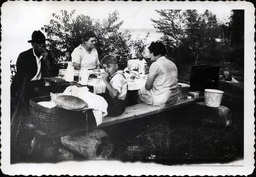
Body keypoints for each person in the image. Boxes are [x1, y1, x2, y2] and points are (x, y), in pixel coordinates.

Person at [11, 30, 59, 114]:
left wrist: (47, 60)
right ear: (32, 44)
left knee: (56, 93)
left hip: (40, 84)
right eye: (38, 43)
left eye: (43, 42)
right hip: (25, 86)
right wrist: (37, 88)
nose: (42, 45)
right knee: (42, 97)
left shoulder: (47, 54)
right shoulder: (24, 56)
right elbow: (21, 79)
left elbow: (55, 73)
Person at [138, 41, 179, 106]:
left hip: (162, 100)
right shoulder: (172, 63)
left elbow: (148, 86)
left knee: (139, 92)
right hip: (173, 98)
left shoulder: (155, 65)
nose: (149, 55)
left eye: (150, 52)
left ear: (154, 52)